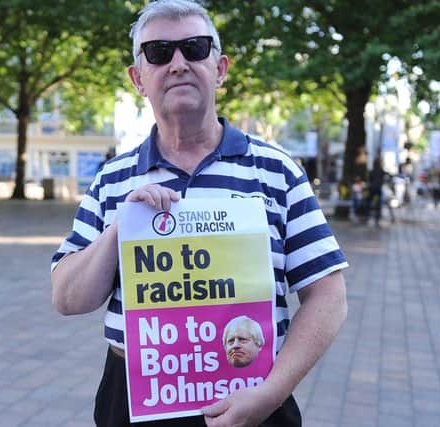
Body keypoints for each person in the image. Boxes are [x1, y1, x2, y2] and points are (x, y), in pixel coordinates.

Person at [50, 1, 348, 426]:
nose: (177, 64)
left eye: (194, 48)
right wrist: (120, 231)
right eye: (158, 53)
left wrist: (270, 394)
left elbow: (329, 296)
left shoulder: (277, 171)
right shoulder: (112, 178)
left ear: (220, 68)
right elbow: (66, 298)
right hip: (136, 399)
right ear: (138, 78)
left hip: (253, 395)